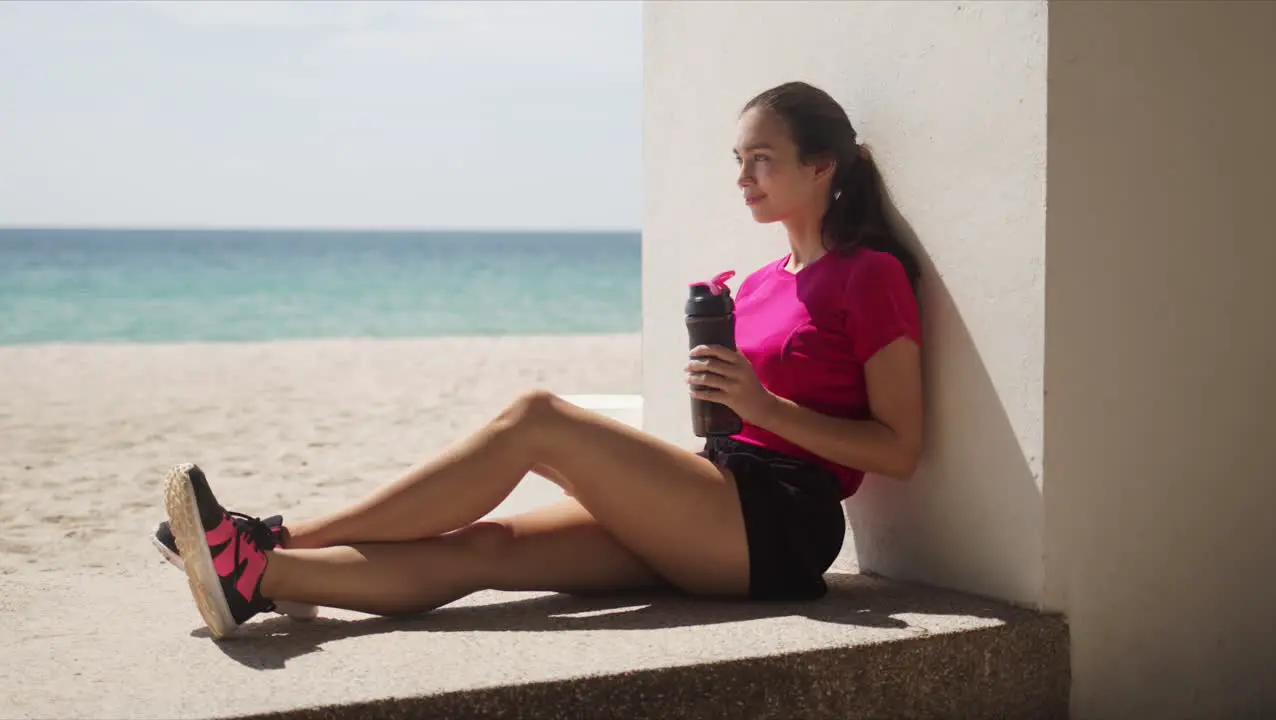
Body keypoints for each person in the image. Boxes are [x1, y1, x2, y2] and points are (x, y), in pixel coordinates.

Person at [154, 81, 924, 640]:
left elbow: (900, 448)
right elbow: (743, 415)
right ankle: (259, 579)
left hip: (782, 522)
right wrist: (732, 397)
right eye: (738, 158)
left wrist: (763, 408)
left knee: (537, 419)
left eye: (762, 159)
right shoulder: (753, 284)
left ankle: (281, 537)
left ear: (822, 167)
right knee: (485, 550)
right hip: (716, 492)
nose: (742, 177)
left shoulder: (869, 275)